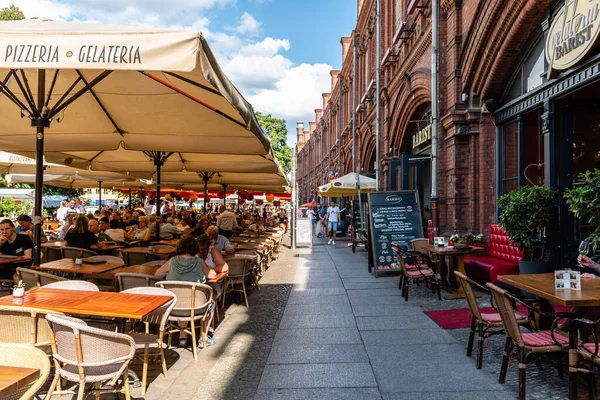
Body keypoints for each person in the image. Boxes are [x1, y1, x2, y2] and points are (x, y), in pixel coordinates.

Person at [155, 236, 216, 348]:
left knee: (180, 299)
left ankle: (182, 338)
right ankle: (203, 338)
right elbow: (212, 275)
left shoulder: (172, 261)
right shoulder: (200, 262)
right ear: (195, 248)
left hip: (173, 307)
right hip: (197, 308)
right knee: (211, 304)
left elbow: (157, 274)